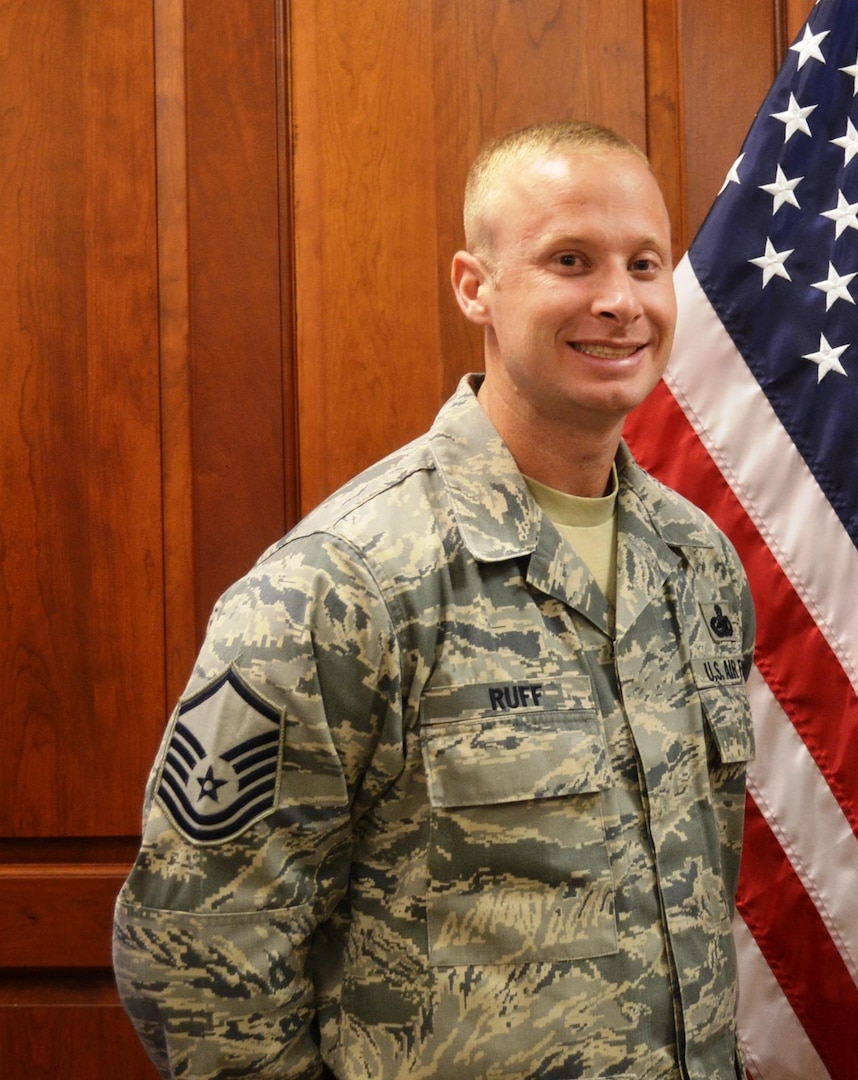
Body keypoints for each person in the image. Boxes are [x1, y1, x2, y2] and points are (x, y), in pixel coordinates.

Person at [112, 120, 755, 1079]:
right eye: (570, 261)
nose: (619, 302)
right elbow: (194, 956)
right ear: (475, 287)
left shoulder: (697, 566)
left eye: (646, 264)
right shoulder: (342, 584)